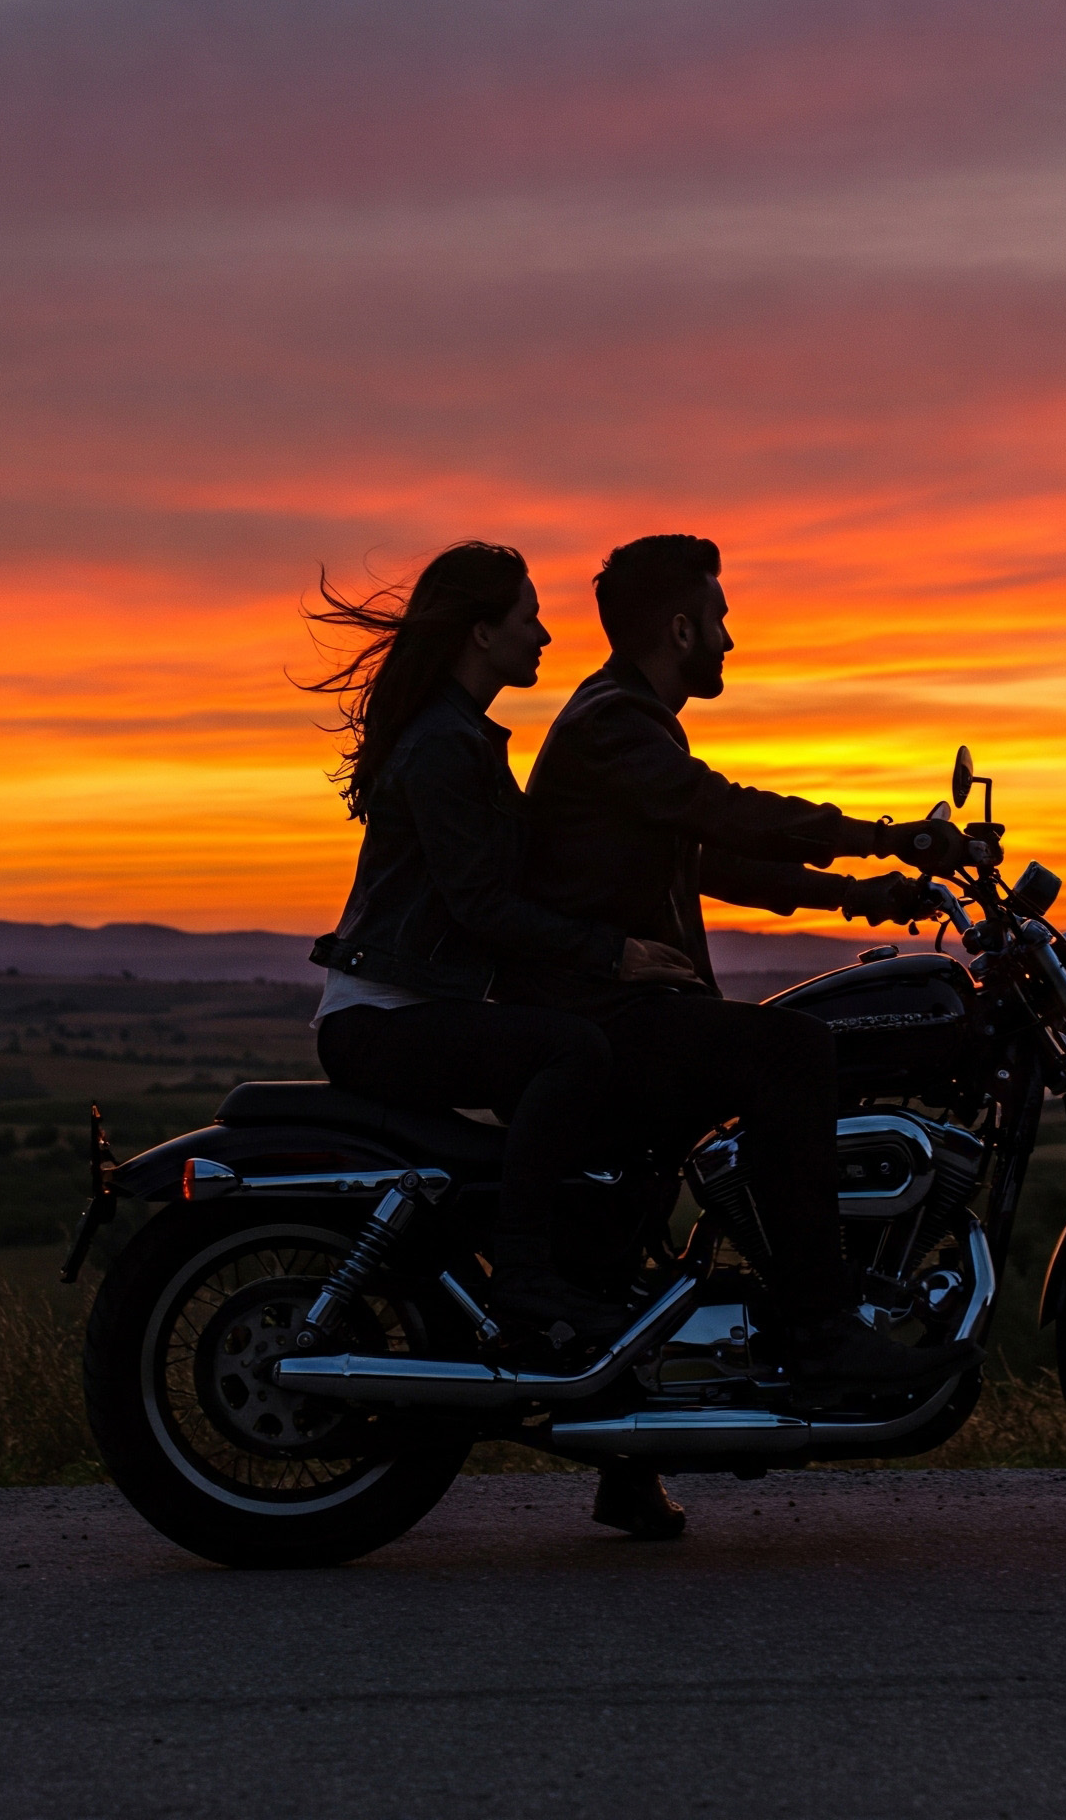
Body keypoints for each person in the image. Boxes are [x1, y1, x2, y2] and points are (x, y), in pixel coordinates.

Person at [514, 533, 977, 1394]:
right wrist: (885, 835)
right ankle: (820, 1330)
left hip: (607, 1010)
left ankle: (636, 1447)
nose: (731, 640)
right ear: (682, 630)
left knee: (638, 1232)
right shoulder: (617, 723)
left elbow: (713, 861)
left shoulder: (618, 722)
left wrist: (868, 895)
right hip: (600, 1015)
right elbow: (722, 813)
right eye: (721, 620)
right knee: (792, 1050)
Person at [301, 542, 700, 1363]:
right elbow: (480, 904)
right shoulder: (444, 746)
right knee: (571, 1050)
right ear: (481, 634)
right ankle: (523, 1274)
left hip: (416, 1008)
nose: (547, 635)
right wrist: (611, 954)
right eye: (529, 617)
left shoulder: (463, 738)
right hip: (384, 1021)